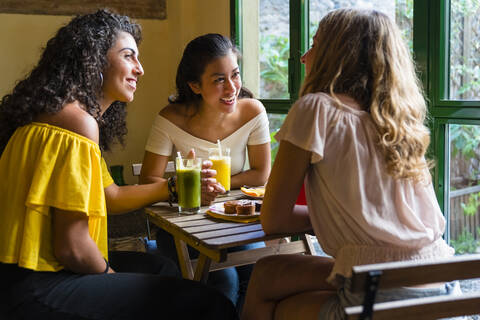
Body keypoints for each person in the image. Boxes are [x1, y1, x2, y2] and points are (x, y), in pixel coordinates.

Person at [0, 9, 237, 320]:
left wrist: (170, 188)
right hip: (38, 285)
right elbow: (72, 247)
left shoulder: (51, 114)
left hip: (18, 274)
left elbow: (108, 196)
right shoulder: (77, 124)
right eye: (129, 56)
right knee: (211, 303)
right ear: (94, 60)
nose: (139, 69)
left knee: (162, 267)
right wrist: (110, 276)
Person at [242, 9, 457, 320]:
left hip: (381, 294)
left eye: (314, 45)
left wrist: (333, 217)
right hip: (438, 285)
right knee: (268, 272)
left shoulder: (317, 109)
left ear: (336, 55)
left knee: (268, 289)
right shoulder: (399, 122)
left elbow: (273, 220)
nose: (304, 57)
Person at [139, 33, 271, 312]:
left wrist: (217, 185)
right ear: (194, 85)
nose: (232, 87)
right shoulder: (170, 118)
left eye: (235, 75)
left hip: (231, 219)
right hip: (183, 220)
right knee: (224, 281)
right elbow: (147, 180)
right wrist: (190, 188)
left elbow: (261, 173)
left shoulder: (252, 112)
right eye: (219, 79)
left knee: (257, 274)